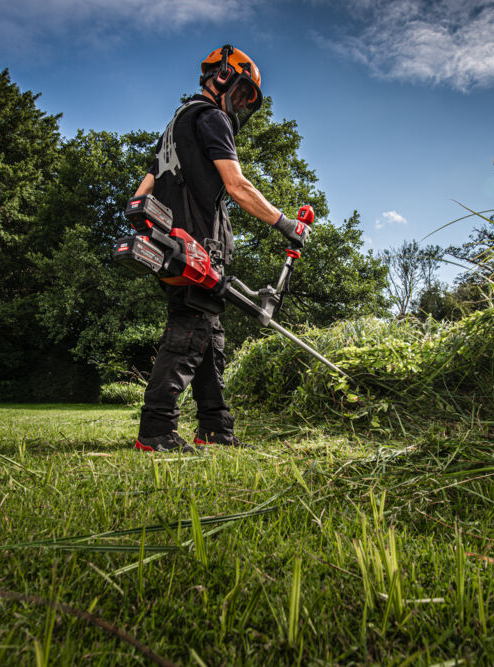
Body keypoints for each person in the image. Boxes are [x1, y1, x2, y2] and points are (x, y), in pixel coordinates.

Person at [132, 44, 309, 453]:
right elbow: (237, 185)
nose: (244, 103)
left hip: (178, 243)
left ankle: (215, 430)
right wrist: (286, 224)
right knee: (186, 333)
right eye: (244, 93)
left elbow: (142, 191)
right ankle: (156, 431)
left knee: (209, 340)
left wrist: (157, 232)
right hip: (195, 242)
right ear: (225, 76)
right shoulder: (211, 117)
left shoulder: (176, 125)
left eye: (251, 100)